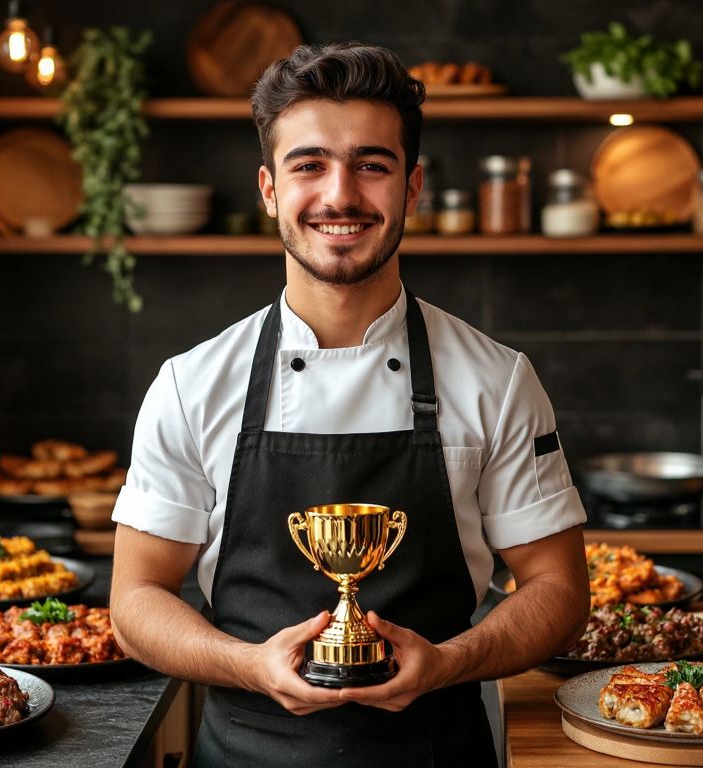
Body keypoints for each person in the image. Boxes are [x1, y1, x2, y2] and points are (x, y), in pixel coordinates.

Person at [109, 42, 588, 767]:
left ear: (412, 187)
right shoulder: (191, 384)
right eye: (309, 165)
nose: (340, 195)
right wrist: (247, 665)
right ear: (269, 189)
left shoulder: (497, 379)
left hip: (438, 751)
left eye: (372, 164)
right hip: (242, 754)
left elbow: (558, 588)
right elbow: (136, 599)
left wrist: (450, 661)